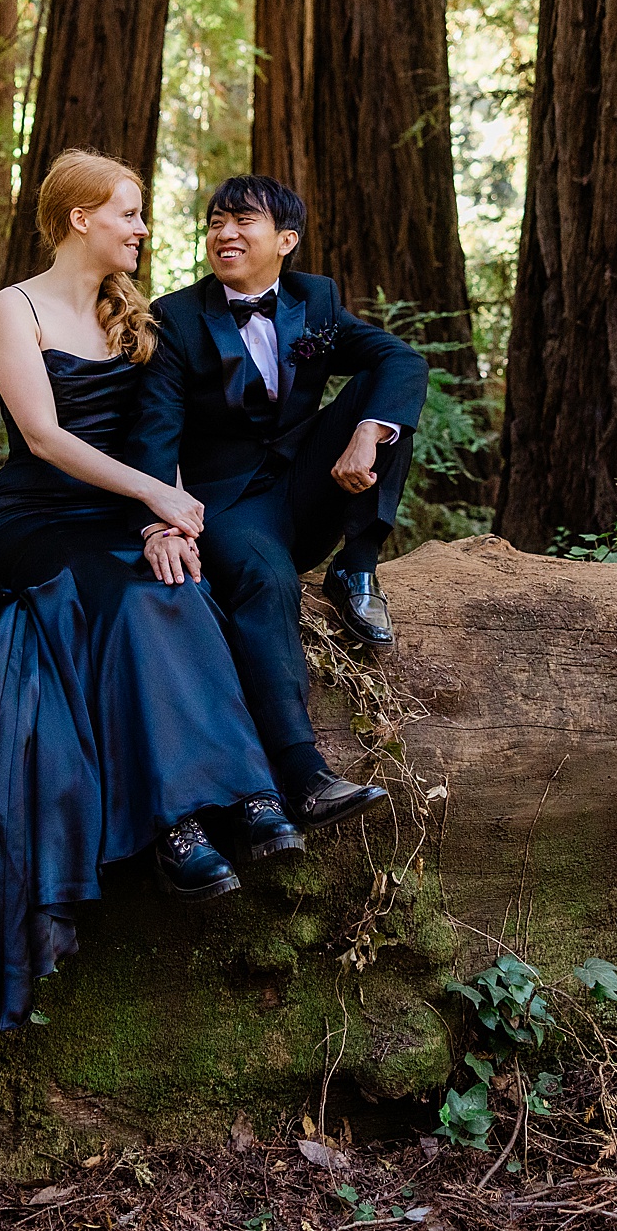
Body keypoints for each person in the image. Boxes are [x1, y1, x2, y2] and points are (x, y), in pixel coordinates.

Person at [0, 150, 302, 1211]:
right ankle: (170, 827)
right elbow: (44, 435)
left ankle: (238, 798)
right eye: (130, 213)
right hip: (35, 517)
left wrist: (165, 517)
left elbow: (168, 438)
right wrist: (152, 496)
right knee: (110, 600)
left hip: (121, 512)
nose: (145, 229)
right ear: (75, 215)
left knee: (173, 590)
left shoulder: (135, 316)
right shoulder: (14, 305)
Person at [125, 173, 429, 829]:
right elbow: (156, 431)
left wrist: (368, 433)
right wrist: (164, 521)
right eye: (215, 223)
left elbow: (399, 360)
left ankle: (358, 564)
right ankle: (303, 775)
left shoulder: (313, 300)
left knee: (387, 394)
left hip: (306, 488)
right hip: (228, 506)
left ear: (285, 240)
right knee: (267, 579)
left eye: (242, 222)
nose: (224, 234)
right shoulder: (176, 318)